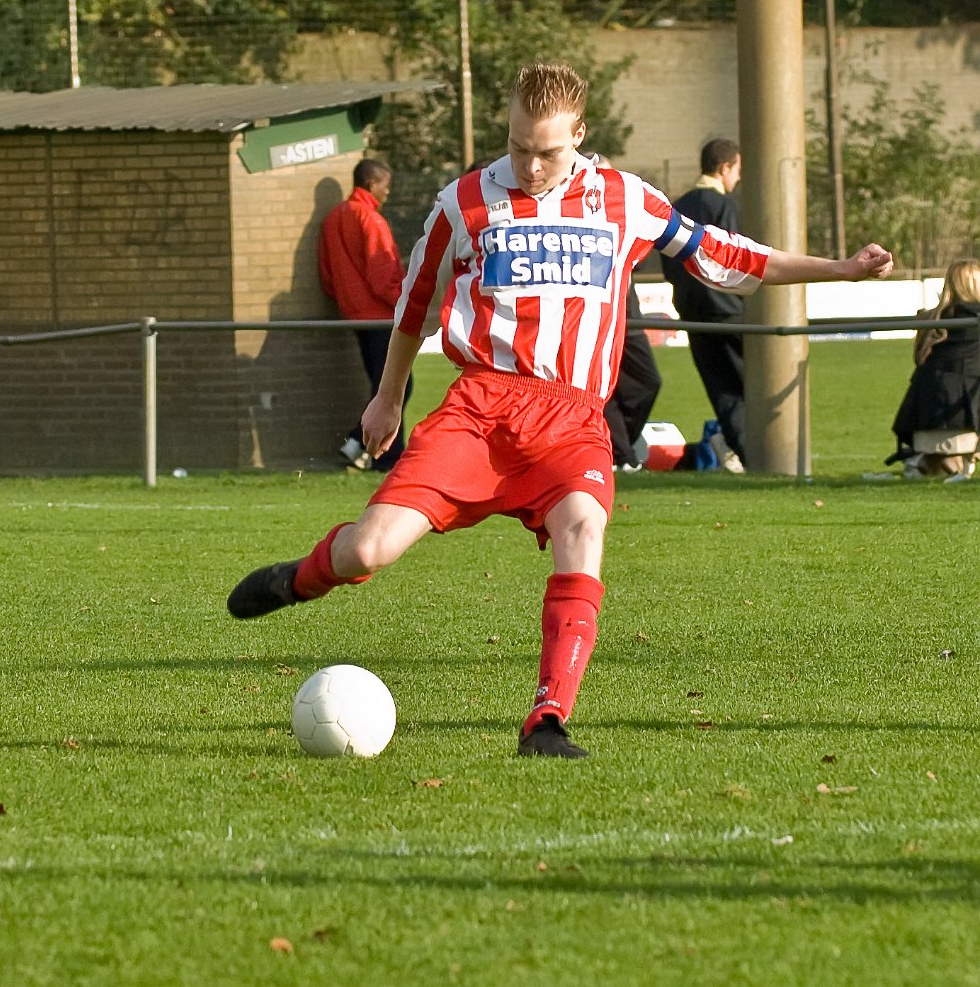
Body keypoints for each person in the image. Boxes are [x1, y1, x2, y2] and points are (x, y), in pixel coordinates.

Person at [226, 61, 893, 759]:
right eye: (518, 147)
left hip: (571, 419)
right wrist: (387, 397)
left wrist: (840, 268)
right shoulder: (464, 203)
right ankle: (299, 579)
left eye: (546, 151)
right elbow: (414, 306)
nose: (531, 165)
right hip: (479, 409)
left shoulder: (625, 199)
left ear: (580, 134)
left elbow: (724, 255)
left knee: (583, 528)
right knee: (370, 549)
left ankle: (546, 720)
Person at [318, 158, 411, 471]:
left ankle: (362, 446)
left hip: (353, 313)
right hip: (380, 315)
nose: (388, 192)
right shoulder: (370, 219)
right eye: (386, 185)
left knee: (382, 382)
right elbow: (382, 274)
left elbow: (327, 274)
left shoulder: (333, 218)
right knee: (395, 385)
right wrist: (406, 302)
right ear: (372, 183)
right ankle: (381, 454)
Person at [664, 138, 746, 470]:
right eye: (737, 170)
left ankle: (743, 451)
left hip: (691, 312)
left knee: (721, 390)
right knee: (751, 386)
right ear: (724, 168)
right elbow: (736, 258)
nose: (738, 177)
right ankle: (759, 453)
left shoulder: (677, 206)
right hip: (728, 311)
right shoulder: (724, 207)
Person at [594, 158, 660, 469]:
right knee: (601, 388)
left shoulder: (623, 209)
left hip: (628, 315)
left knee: (649, 382)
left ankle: (612, 445)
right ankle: (621, 456)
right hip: (596, 315)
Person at [890, 258, 980, 479]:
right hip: (965, 414)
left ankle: (926, 463)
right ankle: (953, 463)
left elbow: (919, 359)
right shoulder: (973, 320)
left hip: (924, 412)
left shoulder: (932, 318)